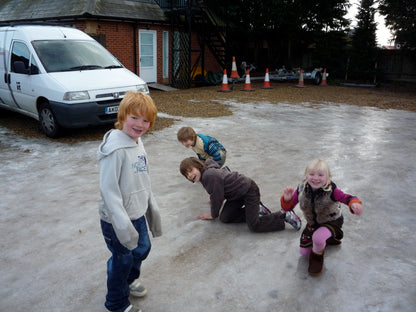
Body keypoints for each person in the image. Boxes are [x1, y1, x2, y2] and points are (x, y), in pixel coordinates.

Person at [98, 92, 162, 312]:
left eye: (145, 120)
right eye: (134, 118)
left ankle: (128, 278)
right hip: (118, 219)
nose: (140, 124)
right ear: (122, 116)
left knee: (142, 248)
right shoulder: (115, 149)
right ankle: (117, 303)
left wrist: (151, 206)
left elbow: (143, 176)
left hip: (137, 213)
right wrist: (121, 222)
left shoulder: (137, 142)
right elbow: (108, 189)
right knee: (122, 259)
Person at [280, 158, 363, 276]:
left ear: (328, 176)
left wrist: (354, 203)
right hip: (313, 224)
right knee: (304, 252)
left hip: (331, 221)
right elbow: (287, 208)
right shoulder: (302, 189)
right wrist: (287, 199)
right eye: (311, 174)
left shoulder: (332, 190)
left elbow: (347, 197)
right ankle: (328, 240)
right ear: (306, 175)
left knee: (318, 239)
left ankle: (317, 258)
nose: (315, 178)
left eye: (320, 175)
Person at [179, 157, 301, 232]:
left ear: (197, 165)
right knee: (225, 218)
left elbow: (217, 196)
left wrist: (212, 214)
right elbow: (217, 191)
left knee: (254, 226)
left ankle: (283, 216)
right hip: (236, 195)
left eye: (190, 171)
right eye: (186, 175)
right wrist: (216, 197)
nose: (189, 175)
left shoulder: (208, 175)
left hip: (248, 190)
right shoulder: (206, 175)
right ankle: (255, 209)